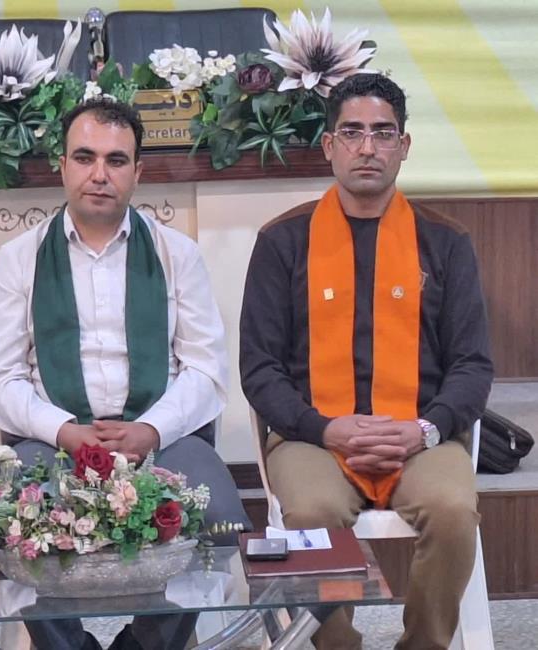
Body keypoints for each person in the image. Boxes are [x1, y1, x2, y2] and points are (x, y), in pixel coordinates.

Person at [0, 97, 251, 650]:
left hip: (161, 436)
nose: (99, 174)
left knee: (222, 521)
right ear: (62, 166)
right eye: (85, 157)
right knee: (11, 521)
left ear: (138, 172)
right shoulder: (19, 258)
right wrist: (64, 431)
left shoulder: (177, 254)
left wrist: (151, 429)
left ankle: (144, 645)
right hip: (53, 440)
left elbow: (206, 369)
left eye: (116, 160)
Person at [239, 74, 493, 649]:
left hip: (421, 433)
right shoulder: (283, 241)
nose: (367, 147)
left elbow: (473, 366)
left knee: (453, 510)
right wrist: (323, 428)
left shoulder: (446, 242)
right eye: (352, 133)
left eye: (383, 133)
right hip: (313, 436)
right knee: (310, 511)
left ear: (404, 146)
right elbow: (260, 368)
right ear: (329, 146)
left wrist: (424, 429)